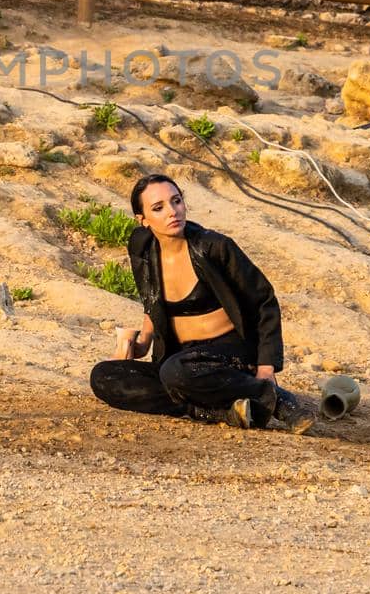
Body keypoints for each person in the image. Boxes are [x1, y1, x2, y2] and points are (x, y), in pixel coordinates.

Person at [89, 174, 320, 432]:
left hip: (230, 351)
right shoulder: (141, 246)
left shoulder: (214, 247)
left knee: (176, 372)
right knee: (104, 376)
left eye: (176, 201)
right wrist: (141, 342)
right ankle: (218, 411)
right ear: (142, 220)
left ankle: (277, 399)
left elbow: (263, 301)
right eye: (158, 208)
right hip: (180, 356)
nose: (172, 212)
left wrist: (266, 367)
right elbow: (152, 300)